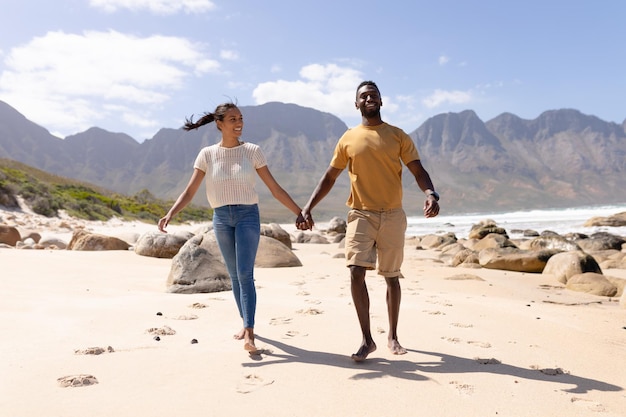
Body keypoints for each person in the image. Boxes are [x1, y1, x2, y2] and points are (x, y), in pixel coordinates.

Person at [299, 81, 440, 361]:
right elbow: (330, 177)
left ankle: (393, 335)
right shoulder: (348, 138)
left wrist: (430, 193)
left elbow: (417, 169)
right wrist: (307, 207)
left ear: (381, 101)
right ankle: (367, 339)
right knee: (355, 271)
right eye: (363, 96)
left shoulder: (398, 136)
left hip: (392, 215)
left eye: (373, 95)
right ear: (356, 104)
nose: (369, 99)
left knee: (391, 277)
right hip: (360, 213)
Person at [158, 102, 307, 355]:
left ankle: (249, 330)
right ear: (219, 124)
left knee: (245, 273)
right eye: (232, 119)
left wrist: (299, 211)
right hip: (221, 218)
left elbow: (274, 187)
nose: (238, 123)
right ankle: (245, 322)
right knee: (234, 275)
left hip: (248, 215)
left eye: (240, 118)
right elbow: (190, 190)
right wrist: (171, 213)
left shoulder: (252, 151)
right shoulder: (207, 154)